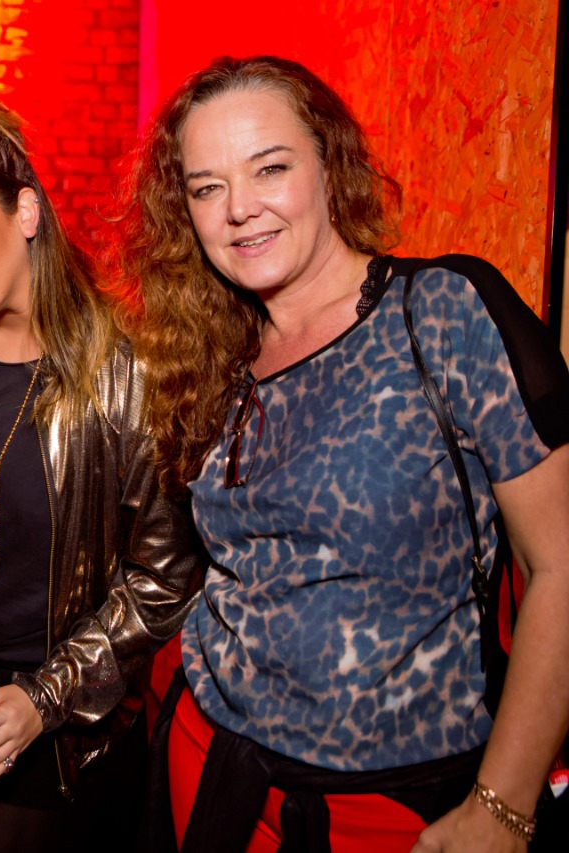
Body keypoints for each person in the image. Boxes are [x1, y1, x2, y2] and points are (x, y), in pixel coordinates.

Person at [121, 55, 569, 852]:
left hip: (394, 807)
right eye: (206, 187)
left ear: (329, 163)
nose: (240, 210)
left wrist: (502, 806)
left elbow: (564, 565)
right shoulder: (215, 354)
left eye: (270, 168)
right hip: (211, 762)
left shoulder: (438, 314)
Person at [0, 84, 207, 850]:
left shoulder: (128, 373)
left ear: (24, 213)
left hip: (65, 743)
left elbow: (163, 578)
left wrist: (43, 698)